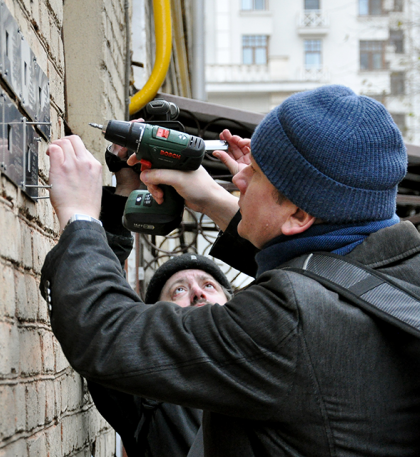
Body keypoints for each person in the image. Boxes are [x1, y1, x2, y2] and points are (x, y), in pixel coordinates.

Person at [41, 85, 420, 456]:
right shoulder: (403, 269)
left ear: (299, 216)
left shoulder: (290, 321)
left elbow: (104, 333)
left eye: (253, 174)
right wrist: (219, 203)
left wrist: (81, 216)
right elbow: (334, 277)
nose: (236, 179)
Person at [87, 146, 232, 457]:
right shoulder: (146, 392)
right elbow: (96, 313)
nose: (197, 293)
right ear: (155, 319)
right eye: (179, 290)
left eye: (208, 284)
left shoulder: (266, 367)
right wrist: (127, 188)